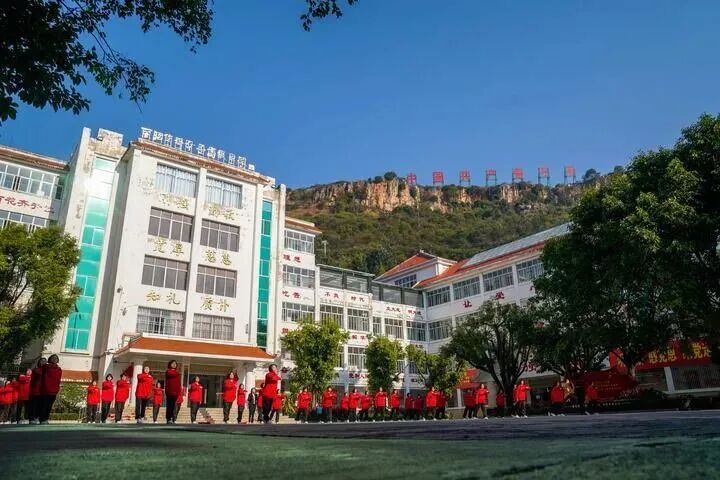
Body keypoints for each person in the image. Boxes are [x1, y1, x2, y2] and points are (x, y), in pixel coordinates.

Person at [40, 354, 62, 424]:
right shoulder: (46, 367)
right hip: (46, 389)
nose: (55, 359)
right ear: (50, 359)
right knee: (44, 405)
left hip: (54, 390)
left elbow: (58, 380)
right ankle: (42, 419)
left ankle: (46, 418)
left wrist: (58, 389)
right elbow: (42, 377)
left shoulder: (59, 369)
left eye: (56, 358)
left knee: (49, 406)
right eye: (53, 358)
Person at [29, 357, 46, 424]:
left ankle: (38, 417)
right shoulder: (36, 370)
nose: (43, 362)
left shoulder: (47, 371)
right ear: (39, 362)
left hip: (44, 391)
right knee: (34, 405)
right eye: (42, 361)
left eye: (45, 361)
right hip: (36, 390)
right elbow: (33, 381)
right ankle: (32, 418)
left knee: (41, 405)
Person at [164, 360, 181, 424]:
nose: (174, 365)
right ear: (170, 364)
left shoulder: (177, 373)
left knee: (173, 406)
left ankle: (172, 418)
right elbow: (172, 374)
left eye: (175, 364)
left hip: (175, 392)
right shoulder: (168, 371)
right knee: (169, 405)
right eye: (172, 363)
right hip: (170, 391)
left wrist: (179, 391)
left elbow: (178, 383)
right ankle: (168, 418)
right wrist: (177, 373)